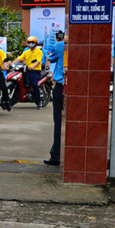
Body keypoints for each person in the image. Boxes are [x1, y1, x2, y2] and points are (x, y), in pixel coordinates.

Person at [45, 31, 65, 165]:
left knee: (58, 122)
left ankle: (56, 155)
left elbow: (50, 59)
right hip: (77, 88)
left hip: (61, 86)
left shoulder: (59, 45)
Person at [15, 36, 44, 109]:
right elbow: (19, 59)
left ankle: (39, 102)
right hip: (26, 70)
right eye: (29, 42)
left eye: (32, 42)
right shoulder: (26, 52)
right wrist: (12, 64)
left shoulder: (39, 52)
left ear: (35, 43)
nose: (30, 44)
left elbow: (38, 61)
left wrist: (32, 67)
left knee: (34, 84)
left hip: (35, 71)